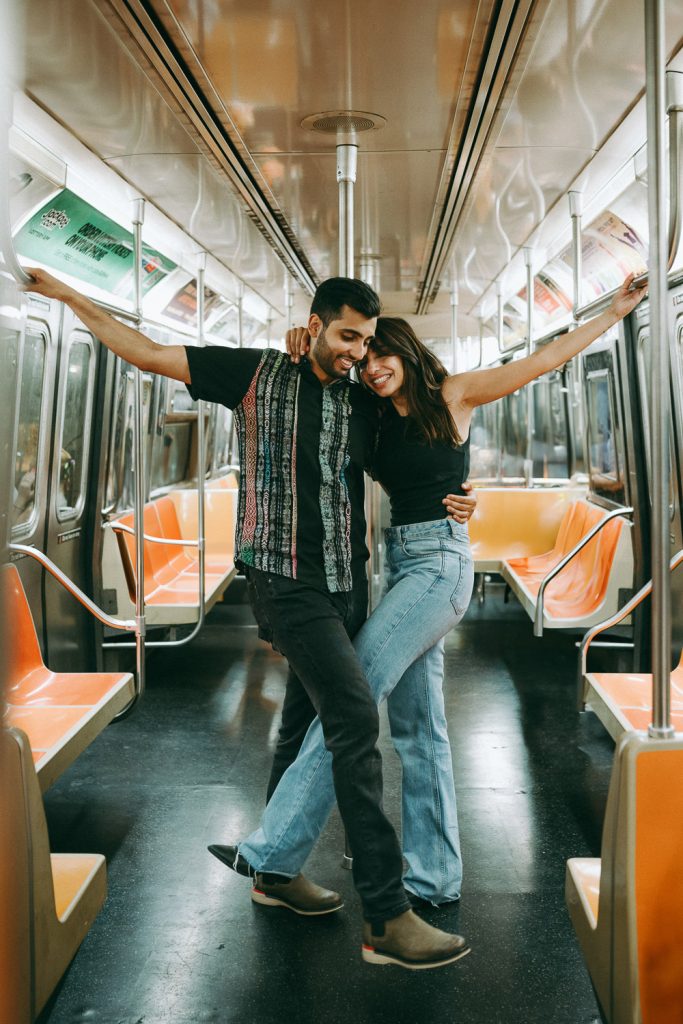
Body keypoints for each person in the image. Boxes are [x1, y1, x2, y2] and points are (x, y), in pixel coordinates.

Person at [21, 266, 473, 971]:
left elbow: (423, 459)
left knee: (301, 721)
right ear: (315, 323)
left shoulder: (360, 403)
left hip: (343, 585)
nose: (355, 352)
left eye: (364, 341)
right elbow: (144, 352)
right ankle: (387, 915)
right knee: (353, 720)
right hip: (282, 579)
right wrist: (74, 299)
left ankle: (275, 875)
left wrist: (459, 496)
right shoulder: (253, 373)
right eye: (346, 336)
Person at [211, 272, 648, 911]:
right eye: (366, 361)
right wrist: (300, 346)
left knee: (354, 695)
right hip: (401, 562)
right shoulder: (372, 418)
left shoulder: (455, 396)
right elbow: (314, 384)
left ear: (406, 352)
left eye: (382, 354)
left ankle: (270, 852)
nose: (373, 368)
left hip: (440, 568)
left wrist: (613, 311)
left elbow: (539, 363)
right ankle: (436, 877)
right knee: (421, 730)